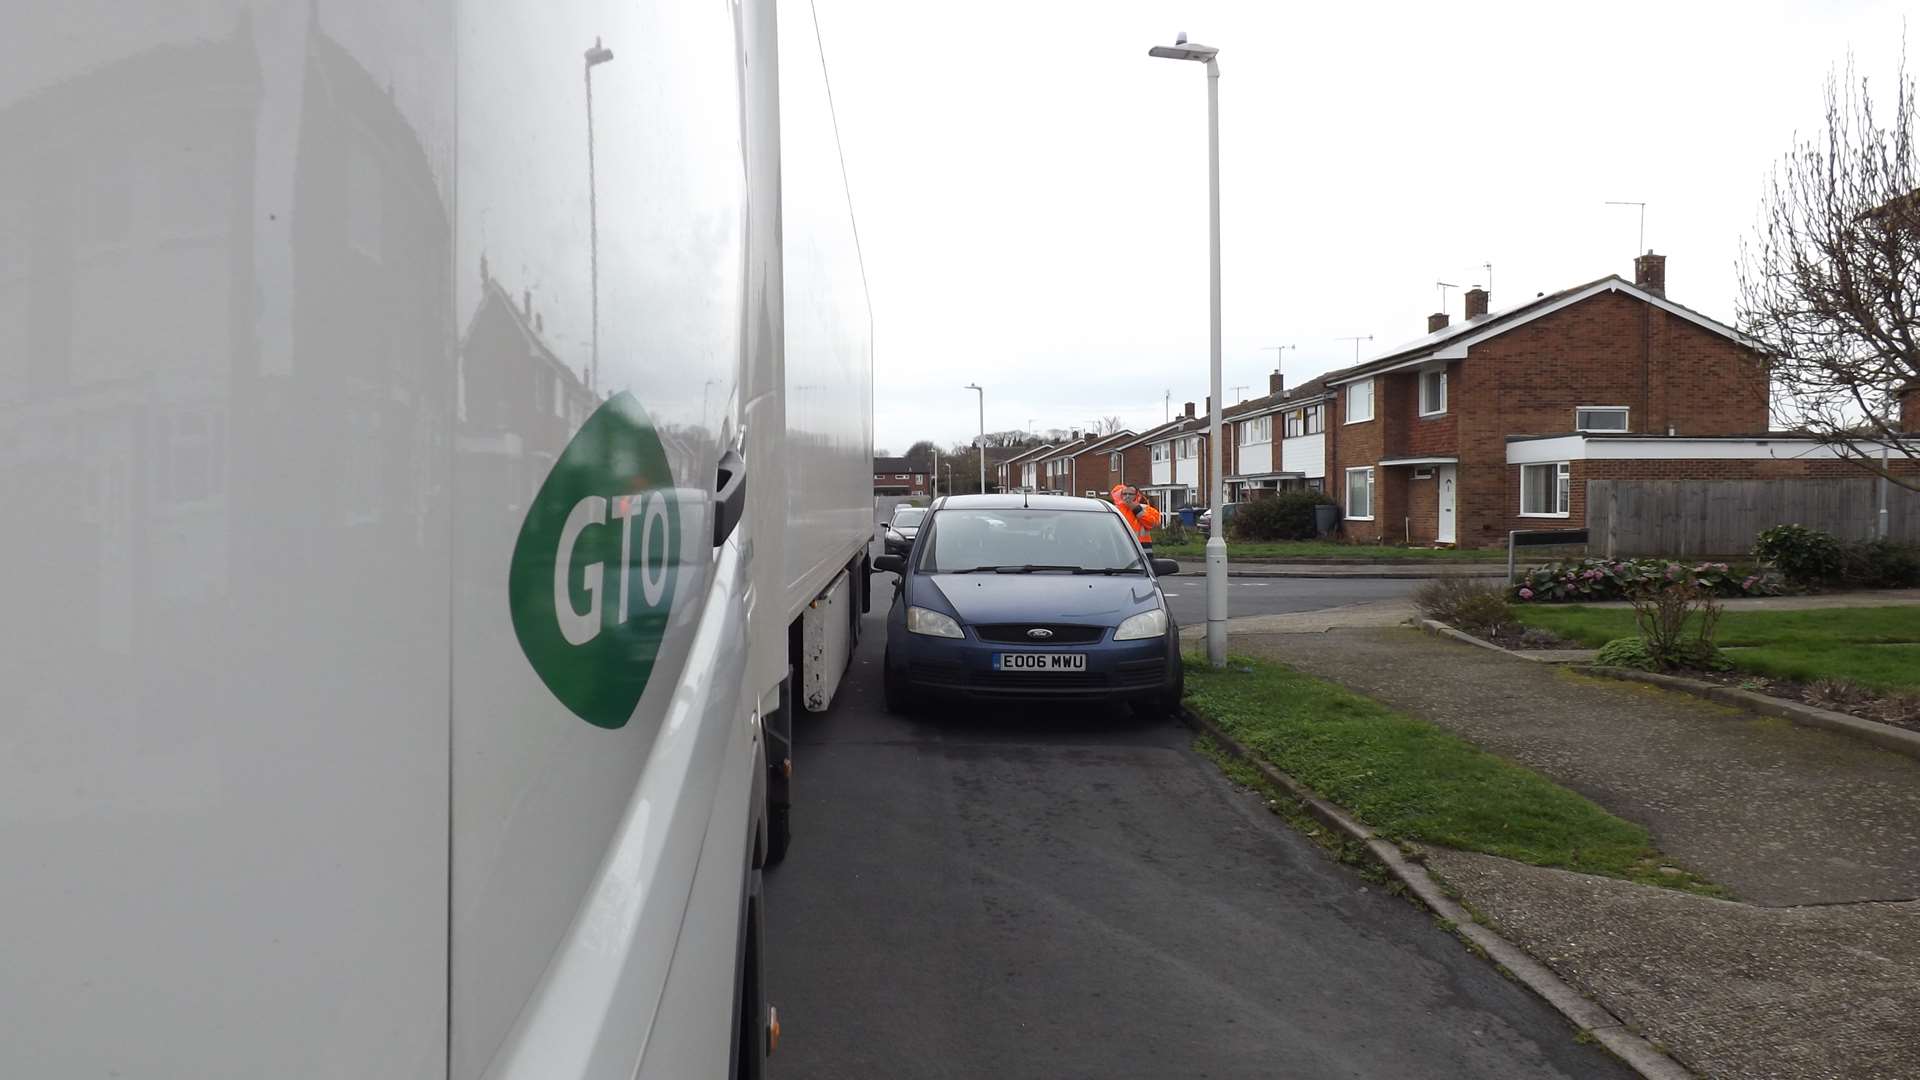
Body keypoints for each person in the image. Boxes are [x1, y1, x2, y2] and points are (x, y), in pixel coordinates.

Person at [1109, 484, 1162, 553]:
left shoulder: (1145, 508)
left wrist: (1137, 510)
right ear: (1121, 495)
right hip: (1121, 547)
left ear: (1136, 495)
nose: (1127, 496)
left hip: (1143, 548)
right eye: (1125, 494)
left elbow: (1153, 523)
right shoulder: (1115, 509)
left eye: (1130, 494)